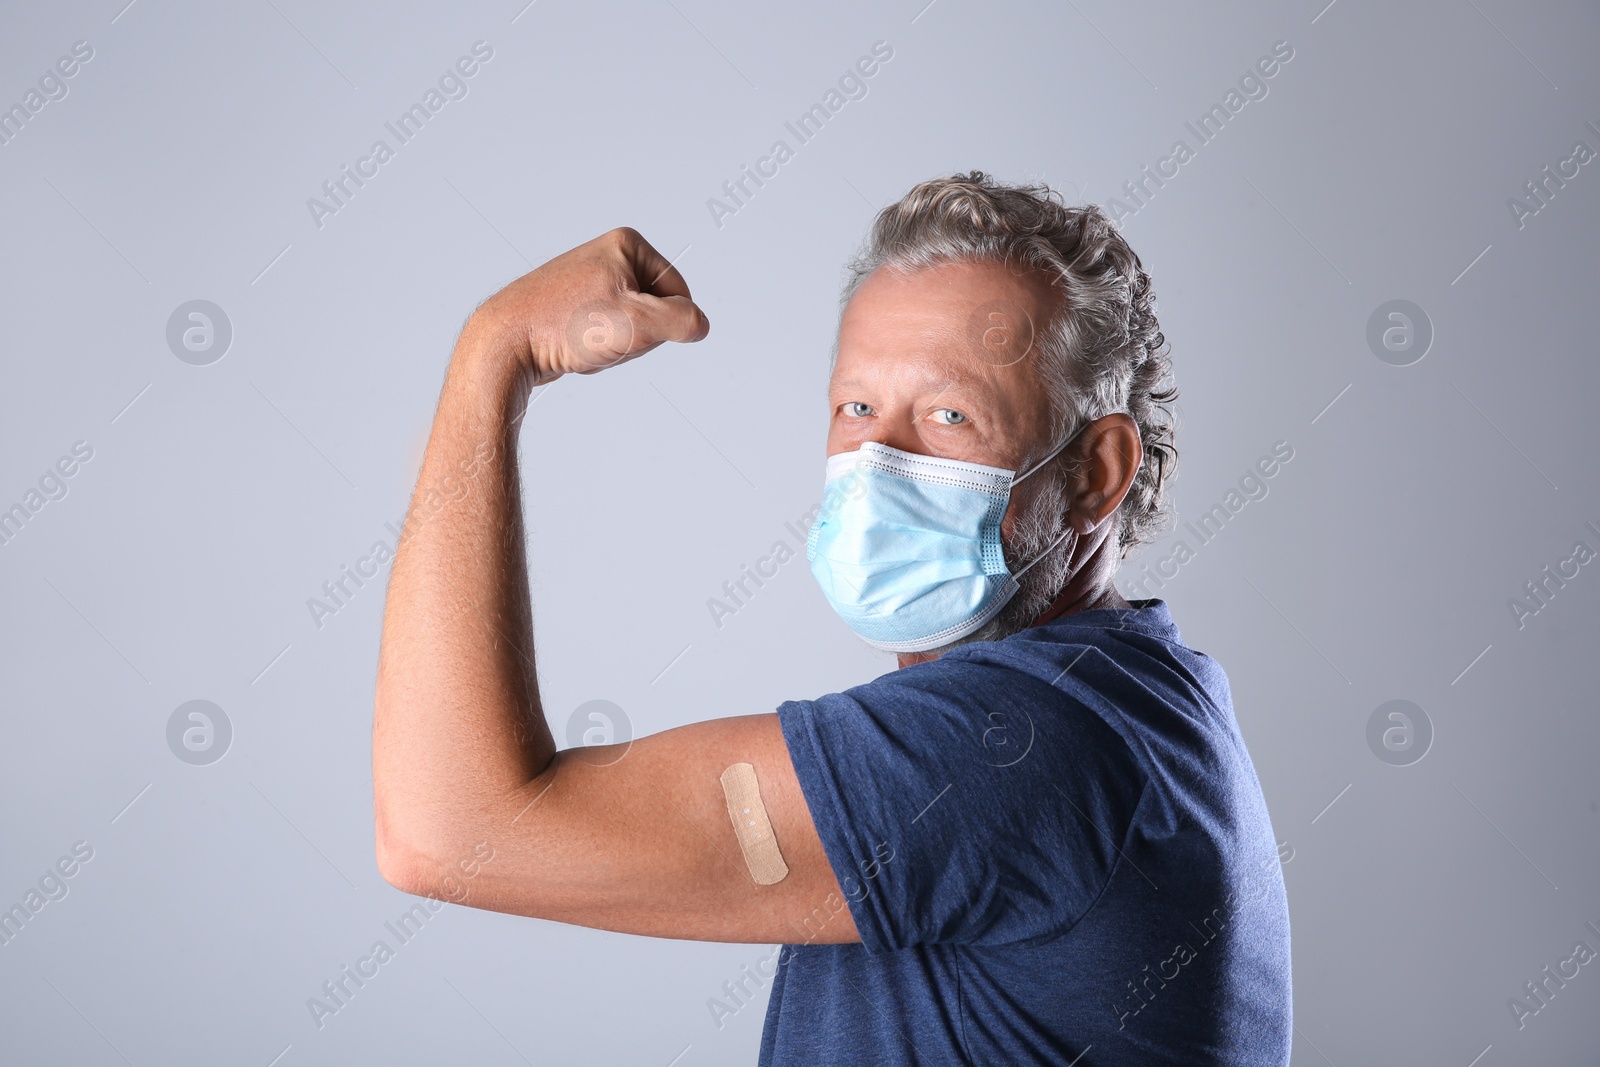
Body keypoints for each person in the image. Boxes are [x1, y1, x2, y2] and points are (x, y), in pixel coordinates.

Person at [372, 171, 1292, 1065]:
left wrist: (495, 352)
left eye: (948, 414)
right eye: (858, 407)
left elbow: (449, 829)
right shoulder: (1143, 699)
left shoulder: (1011, 745)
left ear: (1096, 471)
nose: (877, 460)